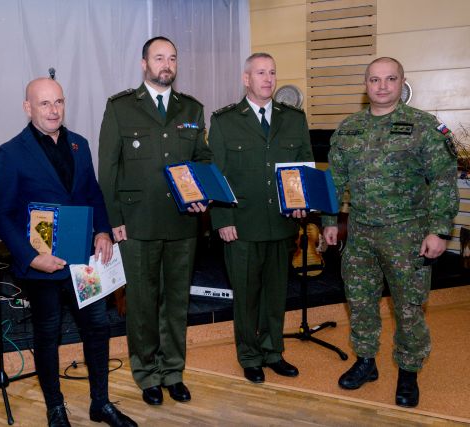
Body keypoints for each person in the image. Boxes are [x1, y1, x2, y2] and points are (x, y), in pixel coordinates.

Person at [0, 77, 136, 427]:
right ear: (28, 107)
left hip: (84, 261)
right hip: (41, 265)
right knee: (48, 334)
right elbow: (2, 214)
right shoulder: (11, 152)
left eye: (58, 102)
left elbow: (92, 194)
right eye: (44, 103)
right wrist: (31, 257)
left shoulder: (79, 144)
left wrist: (103, 231)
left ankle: (100, 403)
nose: (53, 110)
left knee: (97, 329)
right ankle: (55, 408)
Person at [323, 57, 459, 408]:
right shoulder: (349, 129)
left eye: (390, 79)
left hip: (407, 234)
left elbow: (443, 180)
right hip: (360, 233)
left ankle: (409, 372)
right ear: (365, 85)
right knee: (359, 300)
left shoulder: (423, 126)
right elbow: (334, 181)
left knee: (409, 306)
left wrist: (439, 231)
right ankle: (366, 361)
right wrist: (329, 222)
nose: (382, 86)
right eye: (374, 80)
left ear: (402, 82)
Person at [98, 36, 212, 405]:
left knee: (176, 302)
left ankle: (173, 371)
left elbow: (203, 159)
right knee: (142, 303)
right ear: (144, 64)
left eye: (172, 58)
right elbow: (108, 169)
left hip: (182, 222)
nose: (166, 64)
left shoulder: (191, 108)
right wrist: (114, 219)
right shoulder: (120, 107)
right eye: (159, 58)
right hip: (137, 223)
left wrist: (202, 192)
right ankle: (146, 372)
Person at [207, 52, 313, 384]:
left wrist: (302, 203)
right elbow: (216, 175)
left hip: (281, 223)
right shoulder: (224, 121)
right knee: (246, 295)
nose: (268, 79)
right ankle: (250, 355)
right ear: (246, 79)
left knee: (275, 294)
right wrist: (223, 218)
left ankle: (273, 351)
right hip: (242, 225)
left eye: (272, 72)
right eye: (260, 73)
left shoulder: (293, 119)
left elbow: (303, 165)